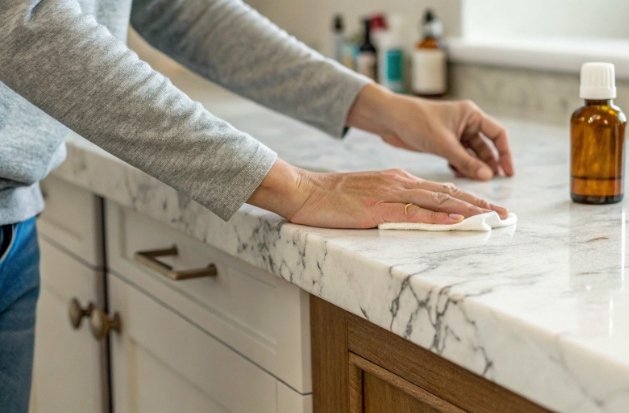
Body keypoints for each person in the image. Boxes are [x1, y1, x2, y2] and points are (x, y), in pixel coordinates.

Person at [0, 0, 513, 410]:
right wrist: (300, 188)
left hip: (14, 221)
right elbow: (24, 21)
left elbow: (182, 10)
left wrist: (386, 109)